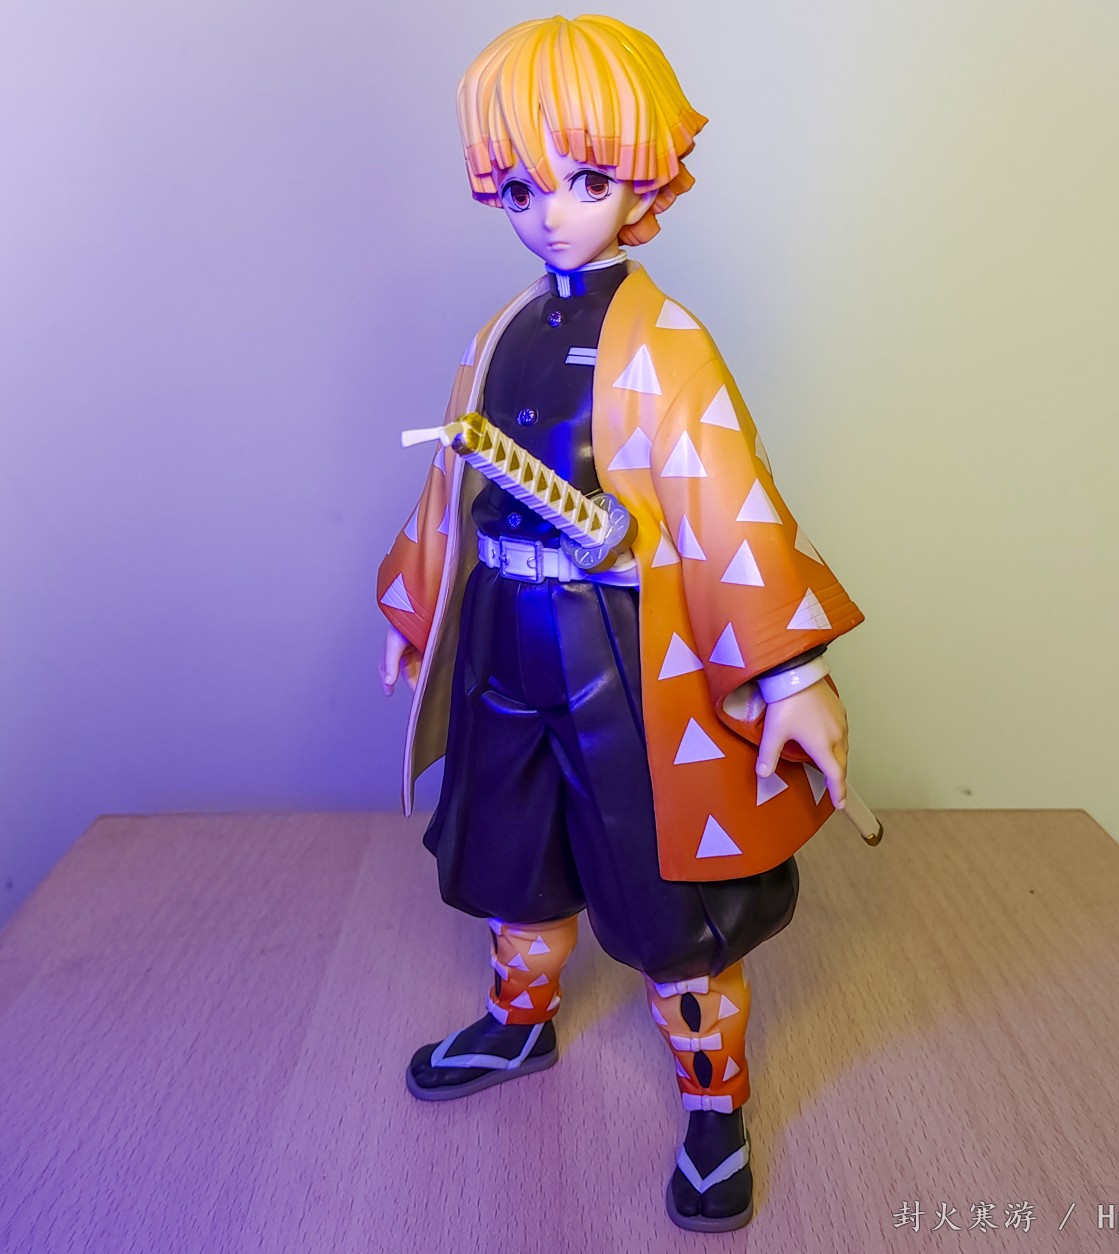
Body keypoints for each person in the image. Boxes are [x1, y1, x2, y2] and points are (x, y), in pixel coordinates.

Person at [376, 15, 864, 1232]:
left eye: (585, 180)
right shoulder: (498, 333)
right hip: (500, 626)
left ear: (640, 178)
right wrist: (417, 601)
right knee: (509, 846)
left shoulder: (669, 346)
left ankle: (712, 1101)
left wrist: (791, 674)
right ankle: (518, 1021)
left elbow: (728, 502)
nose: (552, 213)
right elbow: (451, 486)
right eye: (522, 187)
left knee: (663, 886)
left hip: (622, 644)